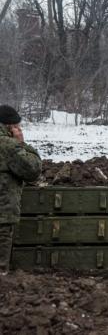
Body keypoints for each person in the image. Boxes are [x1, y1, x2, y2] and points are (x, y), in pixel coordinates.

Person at [0, 105, 42, 274]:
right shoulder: (8, 145)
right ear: (10, 126)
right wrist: (22, 143)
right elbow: (33, 170)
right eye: (17, 126)